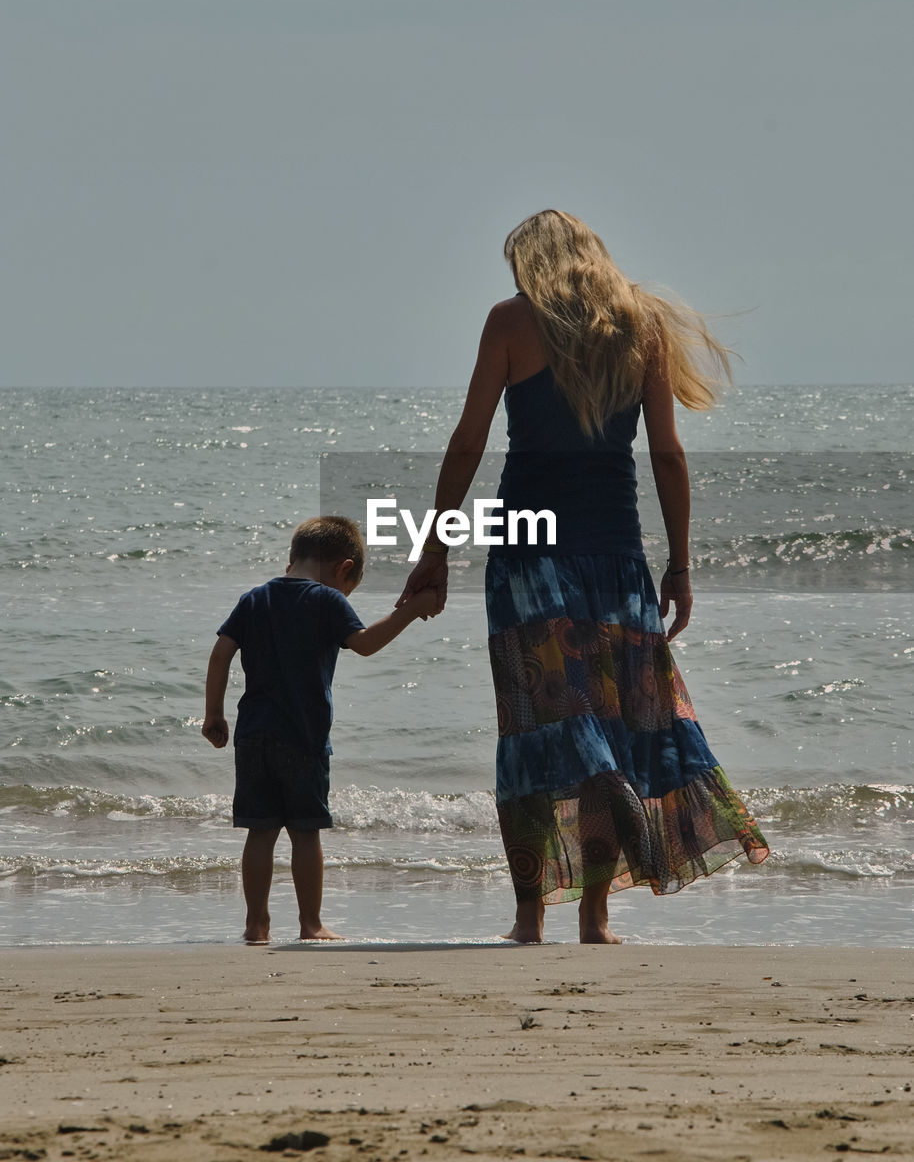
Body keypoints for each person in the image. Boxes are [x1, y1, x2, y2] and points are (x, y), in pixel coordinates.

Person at [397, 209, 769, 944]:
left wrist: (434, 546)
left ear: (528, 264)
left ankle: (529, 920)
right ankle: (596, 919)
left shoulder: (510, 320)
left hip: (526, 556)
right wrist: (681, 564)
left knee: (535, 733)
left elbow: (469, 439)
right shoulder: (642, 325)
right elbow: (666, 454)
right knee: (614, 720)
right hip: (618, 558)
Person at [204, 515, 439, 943]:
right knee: (305, 832)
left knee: (260, 831)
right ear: (343, 569)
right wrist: (411, 611)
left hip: (252, 736)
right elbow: (365, 644)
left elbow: (220, 654)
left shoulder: (254, 599)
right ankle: (310, 924)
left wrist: (213, 714)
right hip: (304, 737)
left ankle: (256, 924)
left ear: (291, 559)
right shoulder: (327, 600)